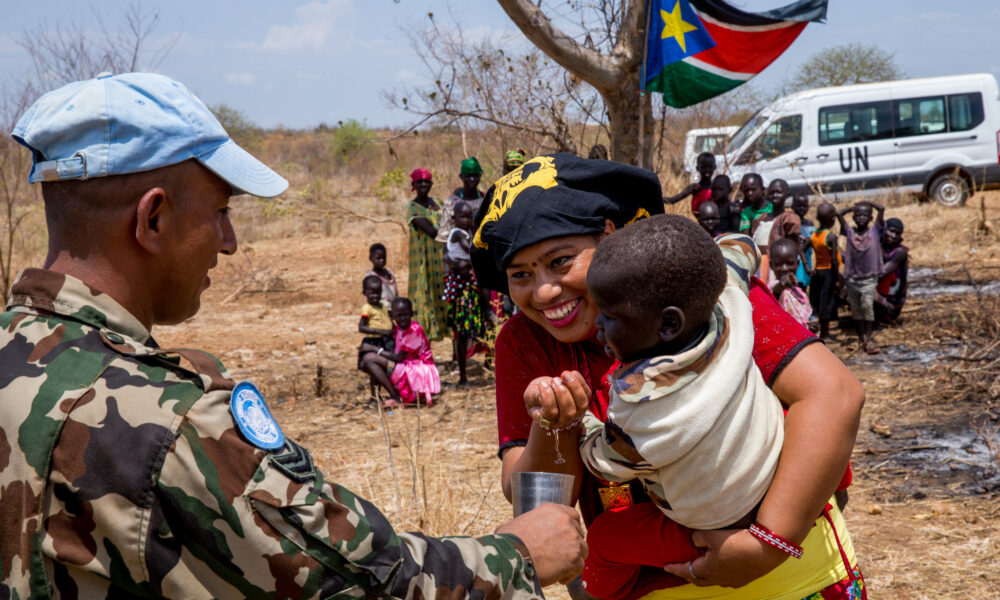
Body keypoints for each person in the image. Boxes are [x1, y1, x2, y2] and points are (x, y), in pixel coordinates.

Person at [0, 72, 588, 599]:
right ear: (153, 219)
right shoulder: (166, 420)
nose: (229, 241)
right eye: (222, 211)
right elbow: (358, 580)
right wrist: (519, 555)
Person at [472, 153, 865, 600]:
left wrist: (765, 545)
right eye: (520, 274)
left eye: (560, 261)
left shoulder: (687, 287)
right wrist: (554, 423)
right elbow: (539, 509)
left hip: (790, 574)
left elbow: (834, 395)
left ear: (608, 233)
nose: (543, 290)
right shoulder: (525, 342)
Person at [537, 218, 789, 600]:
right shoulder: (730, 300)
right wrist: (742, 244)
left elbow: (604, 461)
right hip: (776, 483)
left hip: (715, 523)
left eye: (608, 315)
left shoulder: (645, 405)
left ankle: (605, 594)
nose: (598, 326)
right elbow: (740, 249)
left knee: (605, 537)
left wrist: (580, 418)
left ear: (669, 323)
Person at [443, 201, 489, 385]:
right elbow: (469, 252)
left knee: (476, 329)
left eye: (469, 216)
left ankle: (486, 364)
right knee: (462, 332)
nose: (467, 219)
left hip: (470, 287)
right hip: (462, 290)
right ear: (454, 218)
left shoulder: (468, 232)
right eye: (463, 216)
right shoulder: (458, 234)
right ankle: (462, 376)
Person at [836, 201, 886, 354]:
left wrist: (866, 203)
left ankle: (868, 338)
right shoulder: (849, 231)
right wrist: (852, 207)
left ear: (871, 217)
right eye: (858, 215)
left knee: (867, 308)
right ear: (853, 217)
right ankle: (860, 338)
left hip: (869, 279)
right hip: (852, 278)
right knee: (856, 311)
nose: (861, 218)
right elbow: (838, 214)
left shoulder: (875, 230)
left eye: (865, 215)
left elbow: (881, 208)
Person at [407, 167, 448, 341]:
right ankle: (423, 353)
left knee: (447, 302)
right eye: (419, 182)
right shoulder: (412, 208)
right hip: (424, 263)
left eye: (426, 181)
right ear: (413, 185)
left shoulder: (438, 201)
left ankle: (455, 356)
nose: (423, 185)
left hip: (443, 260)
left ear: (431, 184)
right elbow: (433, 231)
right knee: (423, 301)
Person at [384, 297, 442, 405]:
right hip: (411, 363)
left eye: (406, 315)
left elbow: (398, 357)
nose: (403, 318)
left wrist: (377, 351)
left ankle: (401, 397)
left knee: (387, 364)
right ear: (392, 316)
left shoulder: (414, 330)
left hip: (421, 367)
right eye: (399, 316)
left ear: (412, 314)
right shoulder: (399, 329)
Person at [358, 275, 400, 405]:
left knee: (375, 370)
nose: (375, 296)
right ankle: (388, 394)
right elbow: (362, 327)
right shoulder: (367, 308)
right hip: (373, 342)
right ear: (364, 292)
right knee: (373, 367)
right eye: (372, 293)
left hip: (384, 341)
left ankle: (374, 396)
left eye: (378, 292)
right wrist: (379, 331)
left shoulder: (382, 306)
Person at [809, 202, 842, 341]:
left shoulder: (814, 235)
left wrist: (807, 267)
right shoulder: (831, 237)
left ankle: (823, 332)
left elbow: (801, 249)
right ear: (833, 220)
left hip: (818, 271)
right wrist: (837, 277)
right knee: (826, 302)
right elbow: (834, 260)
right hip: (829, 271)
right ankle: (825, 333)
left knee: (819, 300)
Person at [436, 157, 485, 244]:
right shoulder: (451, 202)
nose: (472, 179)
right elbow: (444, 235)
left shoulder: (485, 200)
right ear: (461, 177)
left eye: (475, 175)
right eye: (468, 176)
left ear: (480, 176)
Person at [769, 238, 815, 329]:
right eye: (778, 264)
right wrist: (783, 284)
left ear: (797, 264)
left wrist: (810, 326)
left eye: (790, 263)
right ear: (771, 265)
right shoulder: (773, 286)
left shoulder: (797, 289)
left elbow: (801, 315)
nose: (784, 268)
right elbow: (776, 291)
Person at [876, 218, 909, 324]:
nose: (893, 236)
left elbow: (881, 274)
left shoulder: (899, 253)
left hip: (890, 306)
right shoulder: (878, 247)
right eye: (891, 231)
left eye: (897, 233)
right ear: (883, 230)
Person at [792, 193, 816, 290]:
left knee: (803, 286)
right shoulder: (790, 222)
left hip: (806, 259)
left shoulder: (809, 224)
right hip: (794, 260)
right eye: (798, 205)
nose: (801, 208)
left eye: (804, 206)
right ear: (793, 206)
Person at [365, 241, 399, 306]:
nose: (382, 260)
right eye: (378, 258)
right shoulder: (371, 276)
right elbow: (370, 297)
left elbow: (396, 294)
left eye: (384, 258)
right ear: (371, 258)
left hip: (392, 311)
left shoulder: (390, 273)